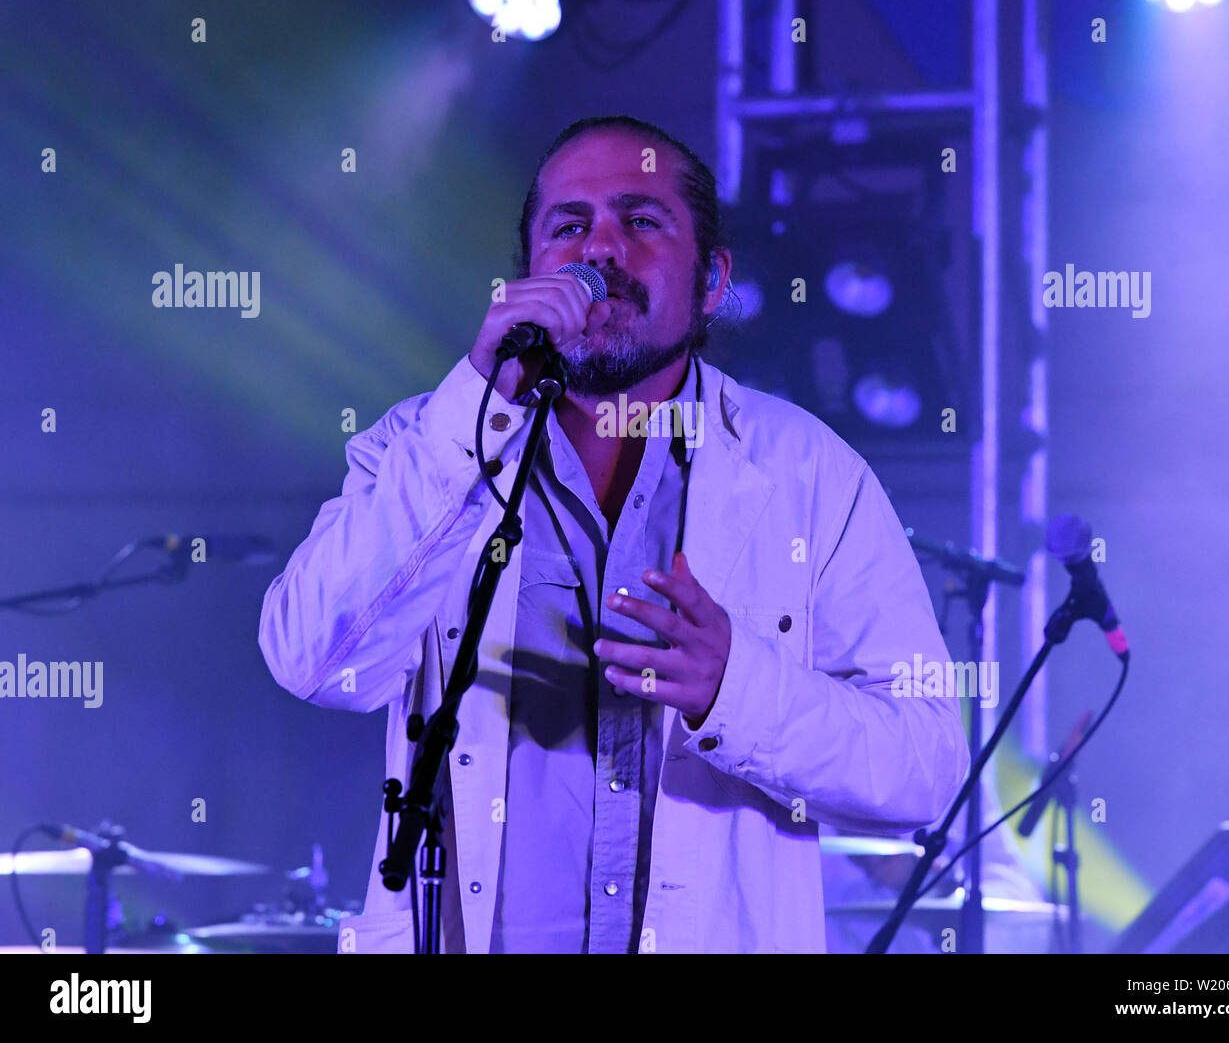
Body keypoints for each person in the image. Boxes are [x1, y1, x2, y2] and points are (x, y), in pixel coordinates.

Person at [258, 114, 970, 953]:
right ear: (525, 276)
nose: (600, 249)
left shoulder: (811, 473)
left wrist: (732, 687)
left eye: (641, 219)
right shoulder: (425, 443)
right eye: (569, 226)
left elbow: (926, 764)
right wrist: (474, 405)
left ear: (711, 280)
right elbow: (312, 658)